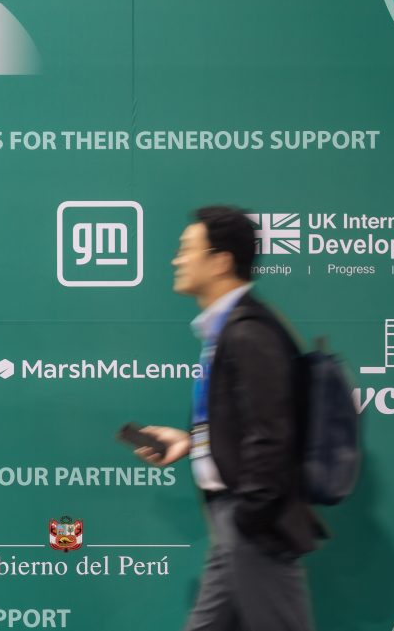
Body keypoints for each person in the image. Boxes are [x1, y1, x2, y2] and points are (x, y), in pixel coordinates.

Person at [137, 206, 323, 631]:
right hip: (236, 521)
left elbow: (271, 434)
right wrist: (190, 441)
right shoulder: (227, 330)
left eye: (186, 250)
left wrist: (248, 518)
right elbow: (243, 423)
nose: (176, 260)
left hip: (253, 522)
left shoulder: (248, 332)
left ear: (220, 261)